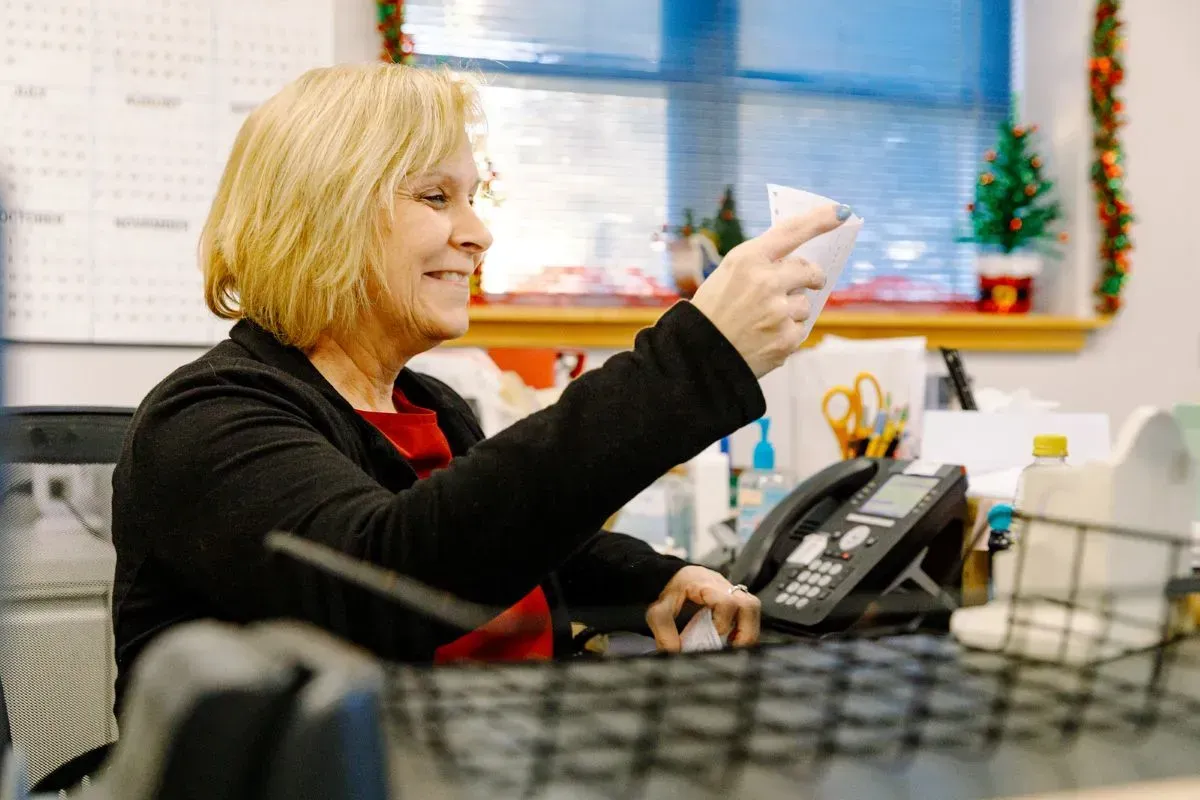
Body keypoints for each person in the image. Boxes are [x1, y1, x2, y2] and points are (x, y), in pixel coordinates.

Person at [109, 63, 849, 710]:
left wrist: (654, 581)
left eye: (472, 197)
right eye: (436, 198)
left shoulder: (429, 406)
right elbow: (391, 579)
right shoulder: (205, 419)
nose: (478, 232)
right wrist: (694, 358)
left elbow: (522, 541)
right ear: (321, 215)